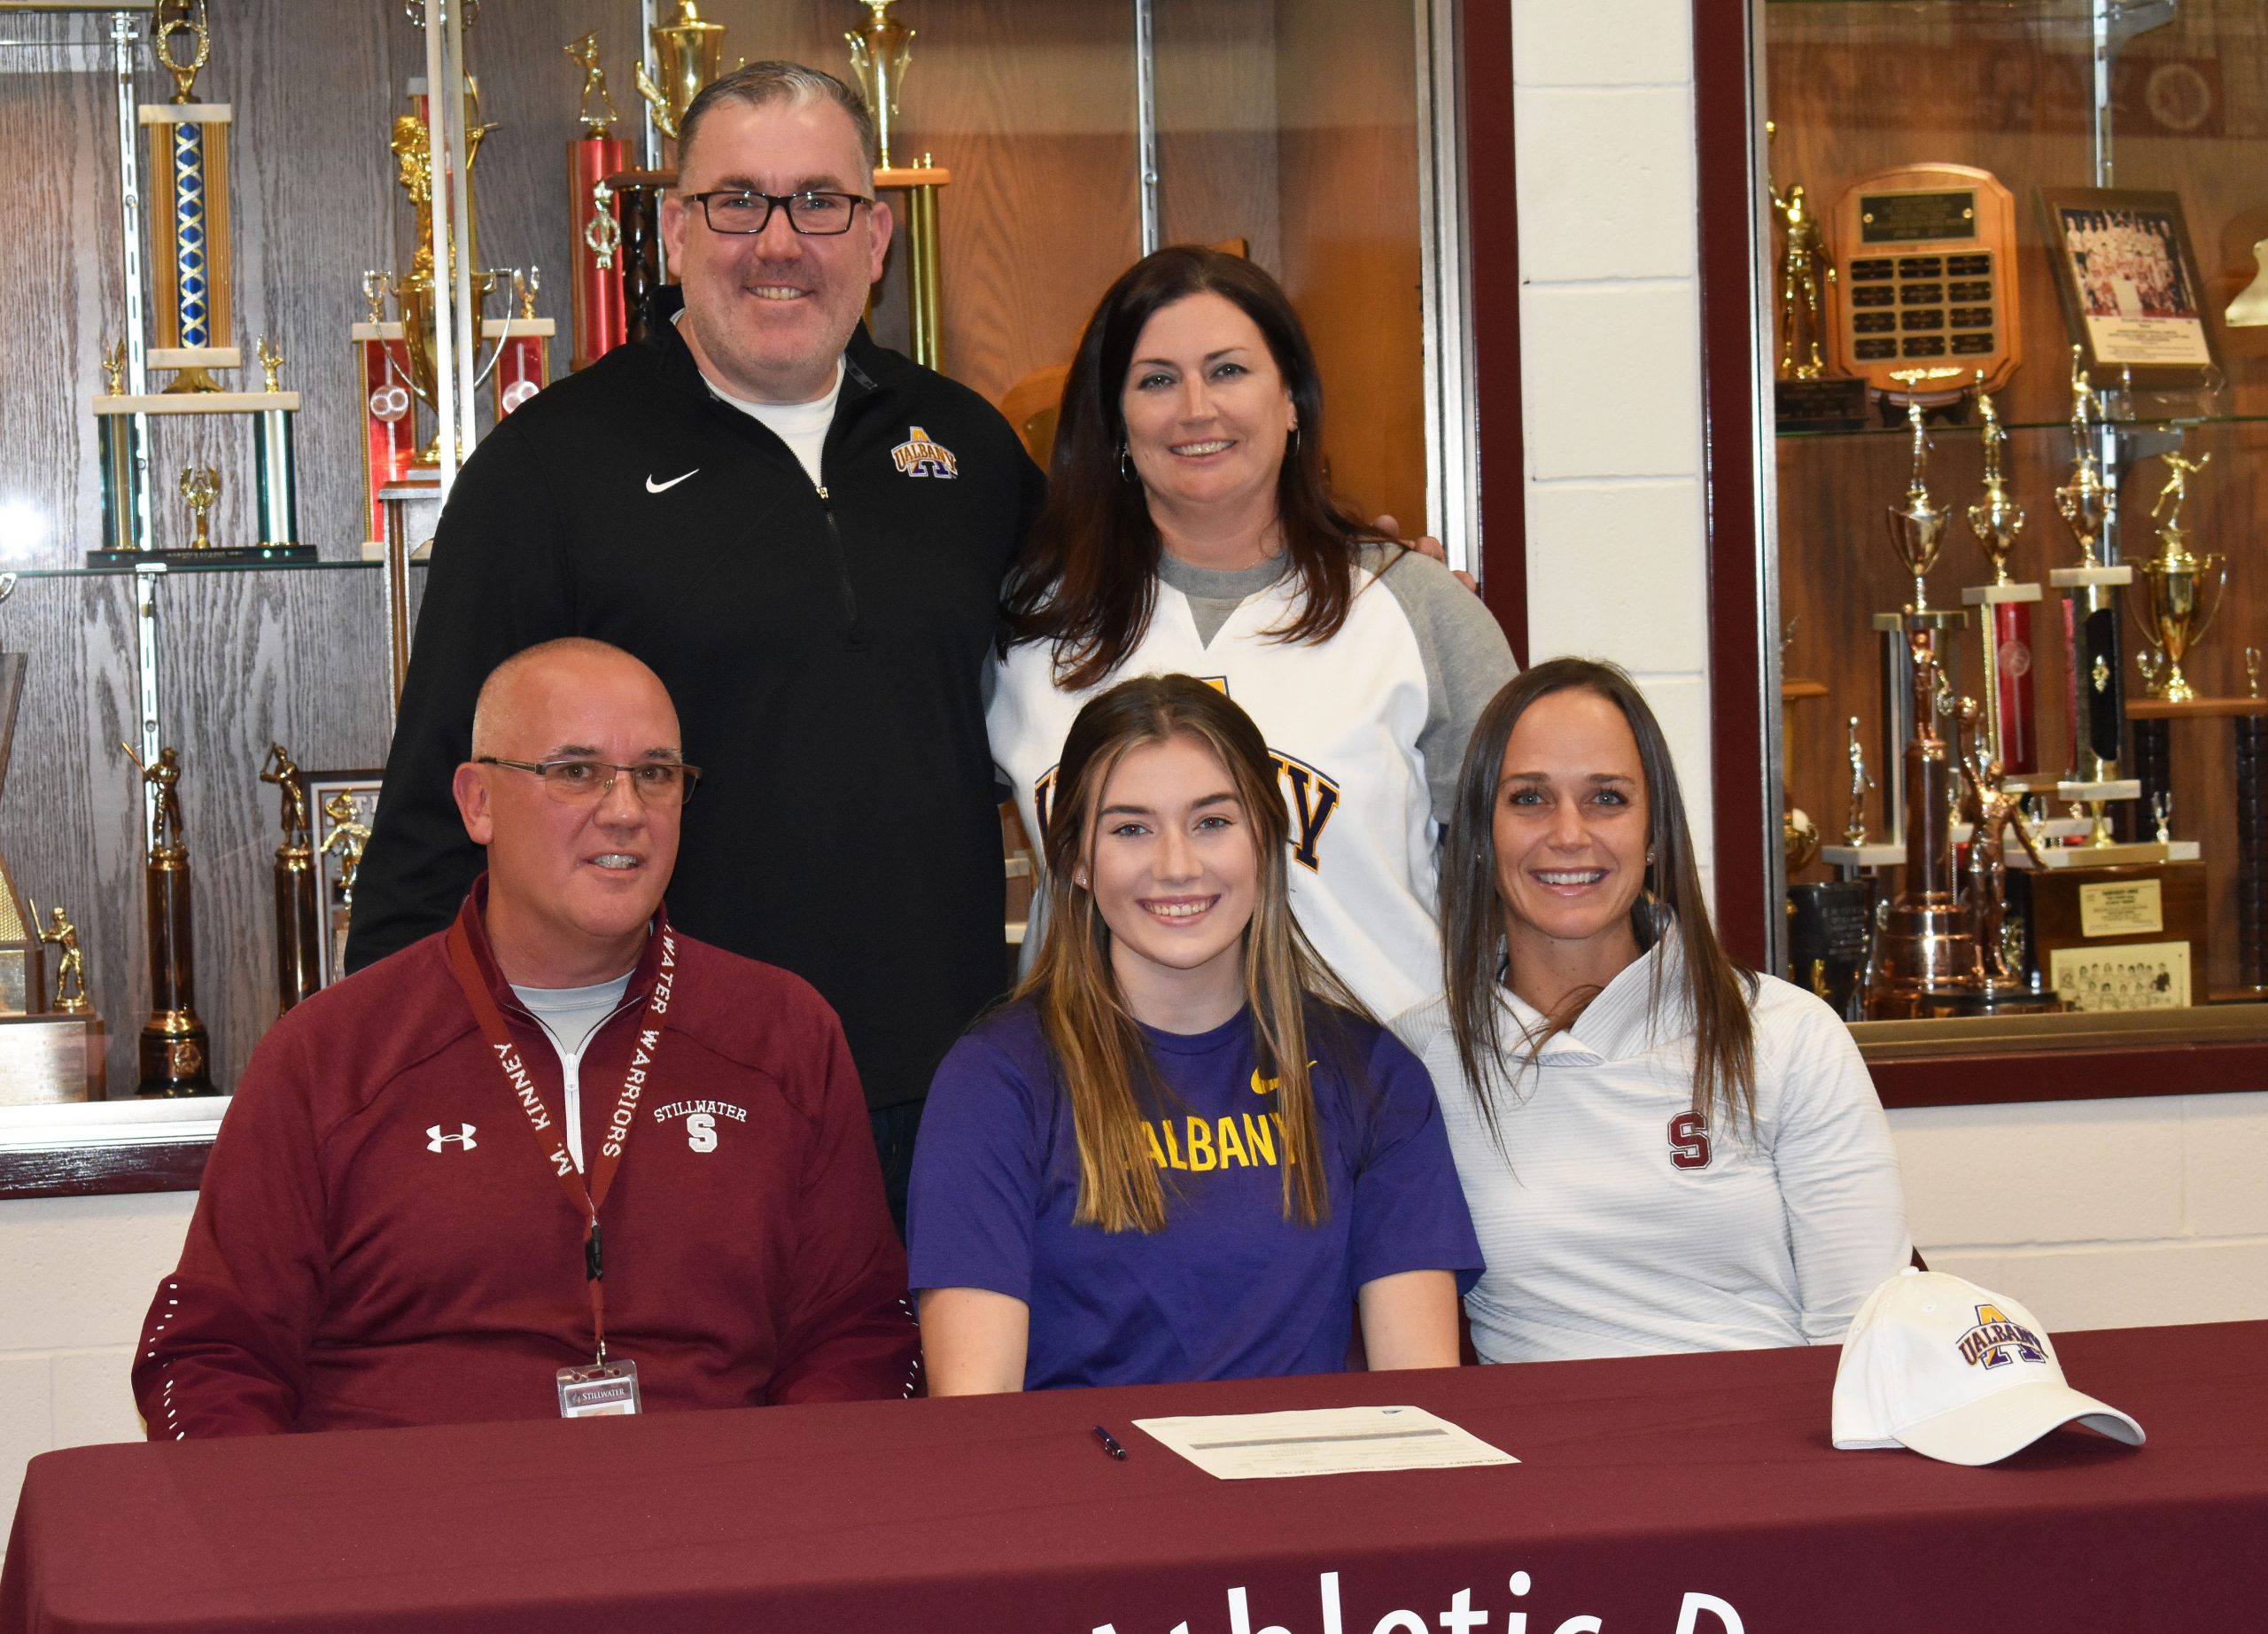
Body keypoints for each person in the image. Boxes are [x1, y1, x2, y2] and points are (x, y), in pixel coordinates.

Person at [346, 62, 1046, 1225]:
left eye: (820, 202)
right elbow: (436, 820)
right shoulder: (547, 474)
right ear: (674, 229)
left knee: (939, 1415)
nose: (780, 242)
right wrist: (396, 1120)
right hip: (664, 1110)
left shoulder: (964, 453)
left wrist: (1321, 557)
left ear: (877, 238)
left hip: (952, 1107)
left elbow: (1125, 637)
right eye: (738, 202)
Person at [132, 639, 917, 1436]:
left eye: (656, 774)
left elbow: (855, 1338)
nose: (625, 809)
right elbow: (213, 1357)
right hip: (418, 1538)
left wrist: (788, 1529)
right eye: (575, 771)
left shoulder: (784, 1036)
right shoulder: (331, 1057)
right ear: (477, 803)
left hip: (711, 1532)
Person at [911, 674, 1480, 1392]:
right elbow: (976, 1424)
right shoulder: (994, 1085)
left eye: (1213, 821)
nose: (1177, 866)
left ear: (1268, 841)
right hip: (1090, 1498)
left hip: (1311, 1496)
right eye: (1130, 828)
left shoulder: (1375, 1079)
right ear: (1078, 861)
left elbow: (1418, 1410)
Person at [990, 247, 1514, 1025]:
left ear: (1293, 398)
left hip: (1381, 1111)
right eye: (1157, 379)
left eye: (1229, 371)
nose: (1196, 408)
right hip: (1097, 1112)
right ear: (1115, 421)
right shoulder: (1029, 625)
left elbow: (1522, 868)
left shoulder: (1415, 608)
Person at [1396, 658, 1910, 1363]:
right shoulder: (1416, 1063)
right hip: (1545, 1463)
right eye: (1529, 799)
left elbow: (1864, 1337)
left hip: (1769, 1451)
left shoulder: (1788, 1036)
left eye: (1607, 798)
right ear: (1482, 832)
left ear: (1656, 830)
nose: (1569, 834)